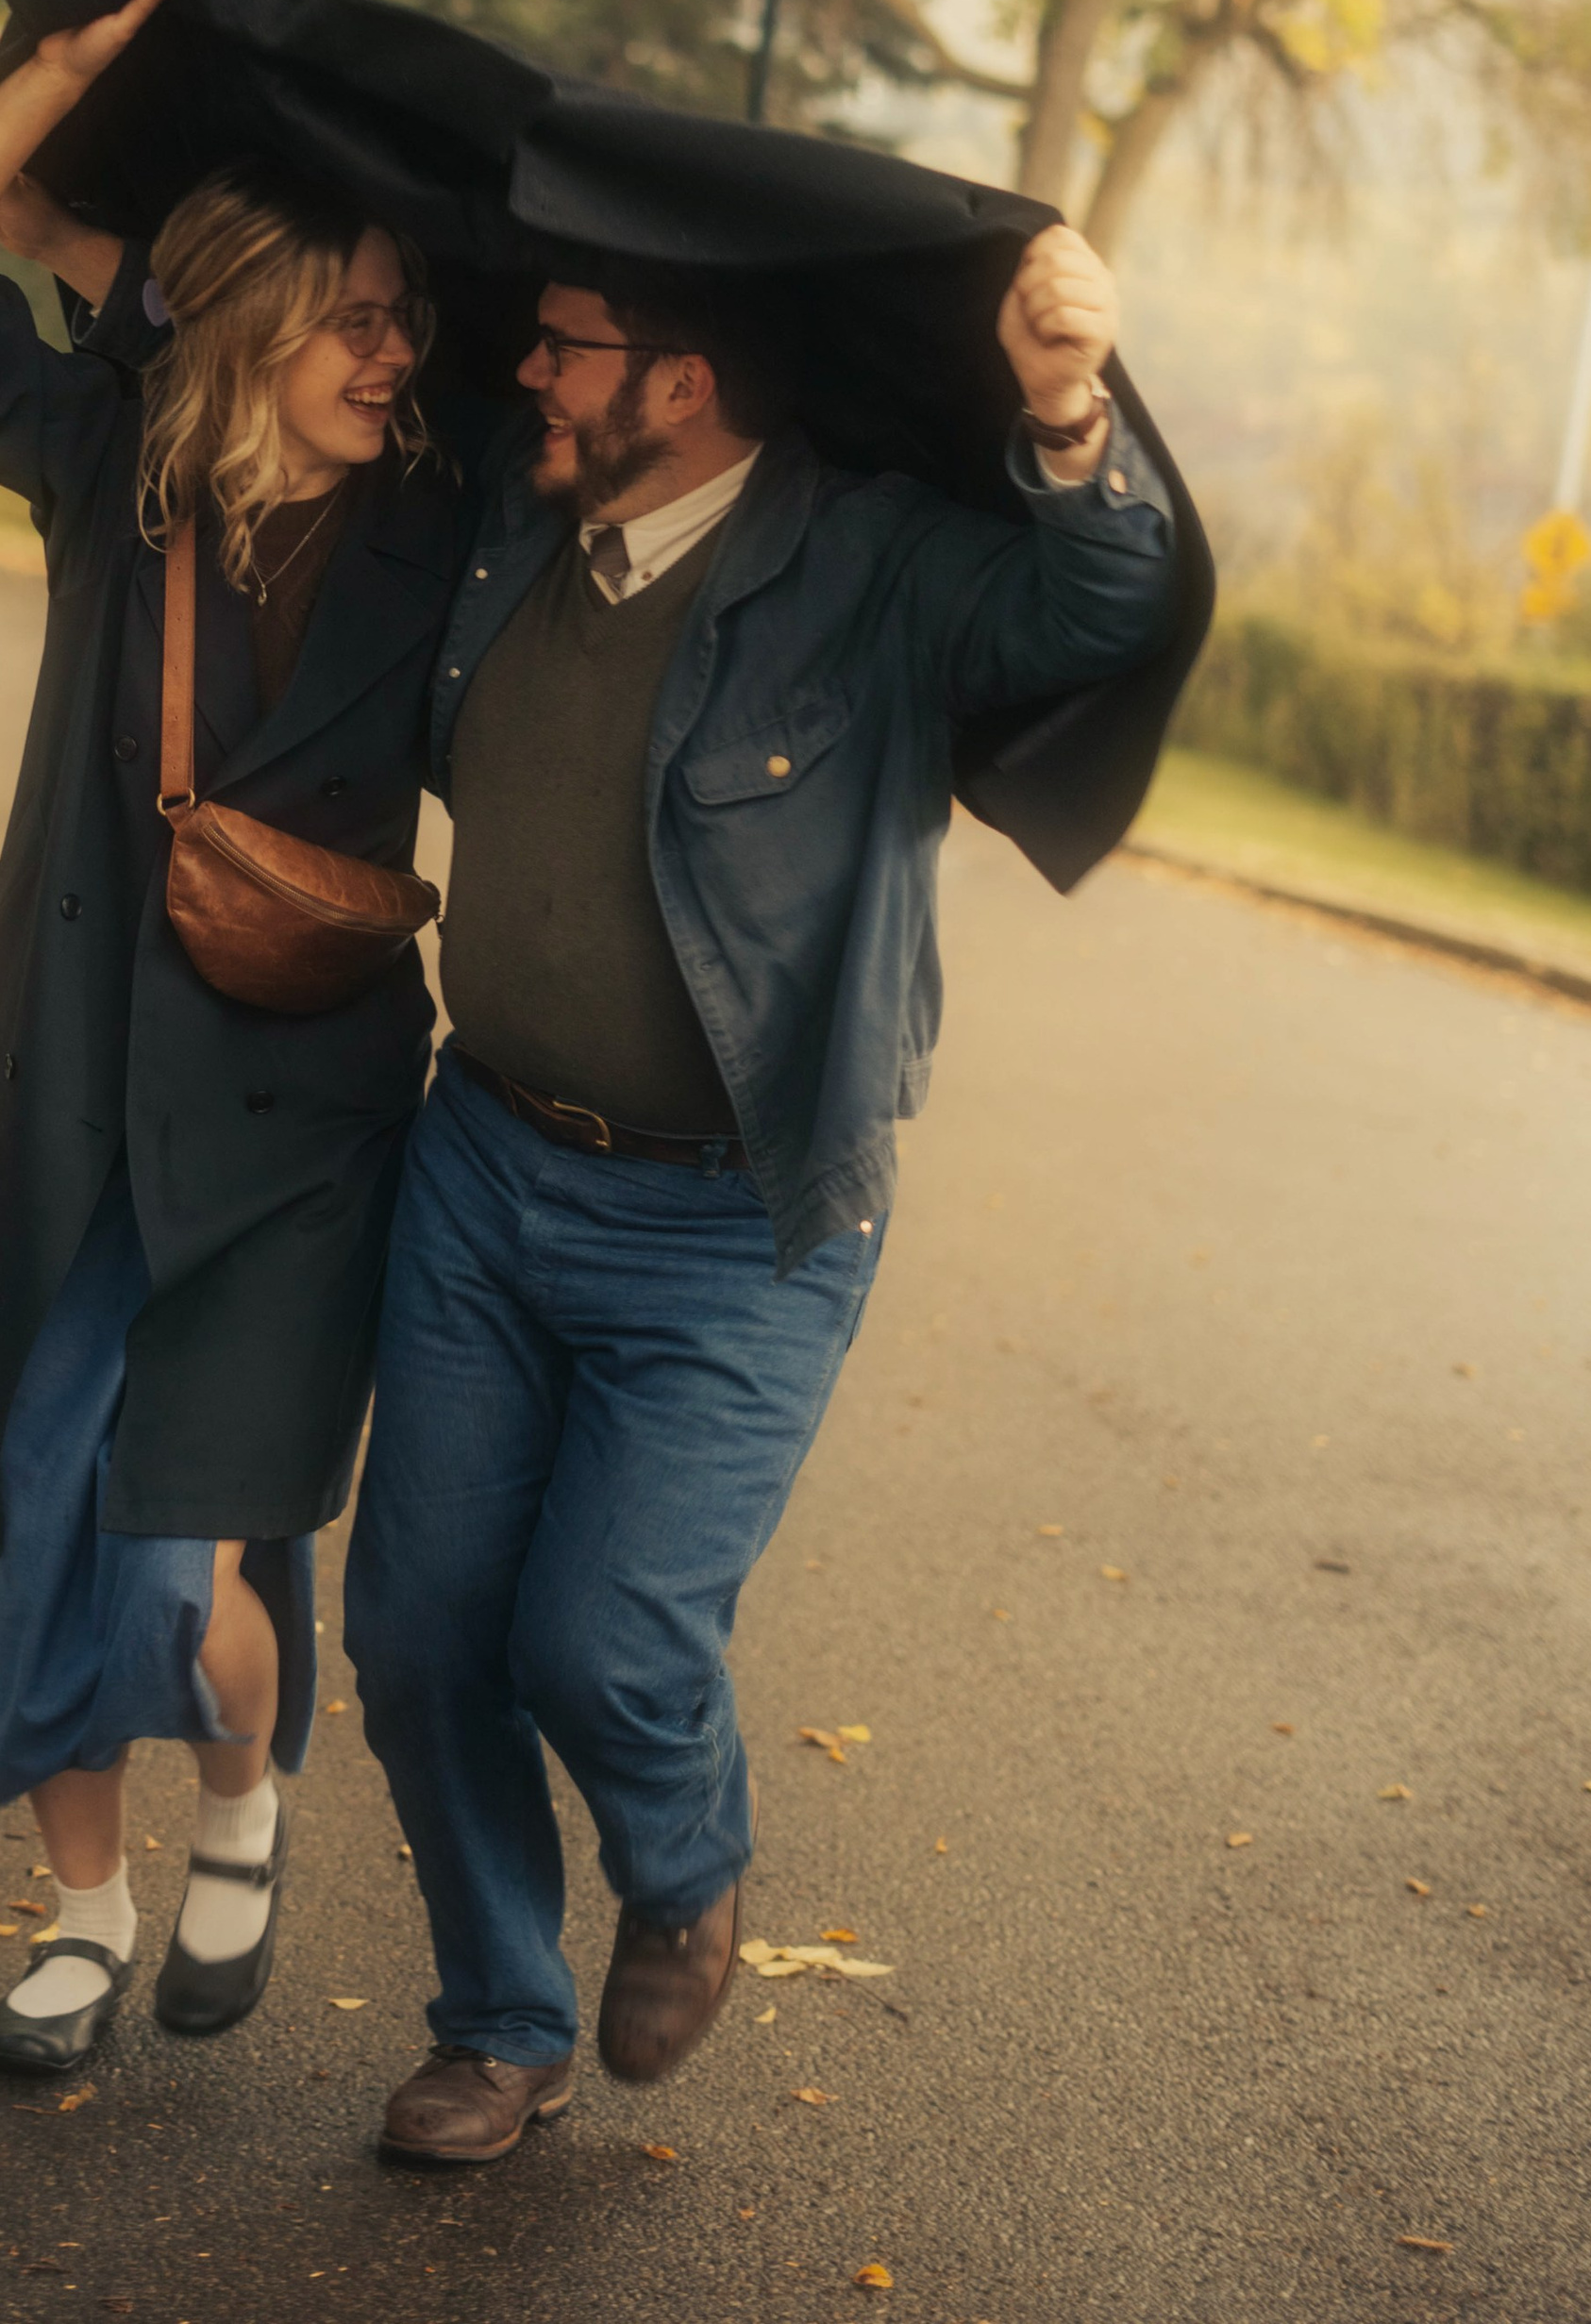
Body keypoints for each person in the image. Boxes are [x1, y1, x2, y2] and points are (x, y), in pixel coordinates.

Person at [339, 221, 1180, 2163]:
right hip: (483, 1160)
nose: (518, 371)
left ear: (678, 382)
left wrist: (1063, 402)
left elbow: (1091, 610)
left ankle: (686, 1859)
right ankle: (496, 2022)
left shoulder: (869, 564)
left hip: (736, 1217)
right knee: (421, 1628)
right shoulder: (514, 512)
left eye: (560, 345)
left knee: (604, 1637)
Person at [0, 0, 470, 2078]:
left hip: (298, 1117)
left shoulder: (432, 526)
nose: (393, 351)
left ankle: (246, 1799)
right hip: (77, 1097)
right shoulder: (112, 469)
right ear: (250, 319)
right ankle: (83, 1916)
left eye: (404, 318)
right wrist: (64, 82)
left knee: (196, 1510)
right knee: (49, 1493)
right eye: (356, 316)